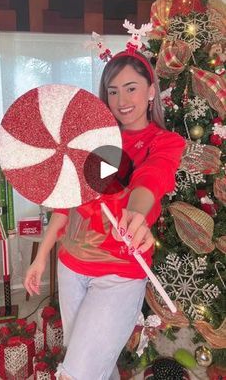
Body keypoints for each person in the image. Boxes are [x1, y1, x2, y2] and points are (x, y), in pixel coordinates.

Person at [24, 48, 186, 380]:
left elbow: (150, 179)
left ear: (151, 90)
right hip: (71, 266)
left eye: (131, 87)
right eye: (112, 91)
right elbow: (68, 203)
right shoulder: (94, 141)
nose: (121, 99)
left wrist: (136, 214)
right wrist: (41, 255)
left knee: (77, 373)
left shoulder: (164, 142)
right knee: (98, 367)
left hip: (120, 275)